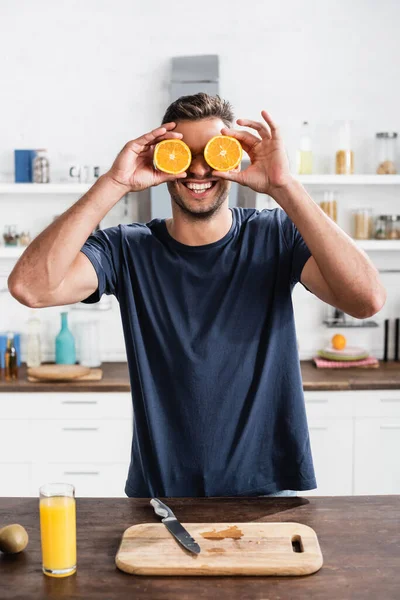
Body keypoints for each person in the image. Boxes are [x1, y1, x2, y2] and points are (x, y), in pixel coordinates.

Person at [8, 93, 386, 498]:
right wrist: (114, 183)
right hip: (162, 499)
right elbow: (30, 287)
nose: (199, 168)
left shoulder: (276, 235)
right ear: (161, 160)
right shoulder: (127, 249)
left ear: (234, 157)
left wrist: (285, 186)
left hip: (267, 492)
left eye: (214, 153)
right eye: (182, 155)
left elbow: (367, 300)